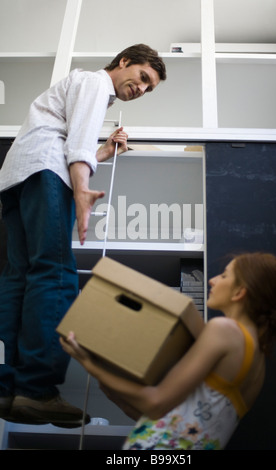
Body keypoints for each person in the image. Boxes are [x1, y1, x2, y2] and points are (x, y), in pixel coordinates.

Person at [0, 44, 166, 427]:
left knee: (18, 278)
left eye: (149, 88)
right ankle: (37, 390)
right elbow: (74, 150)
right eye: (142, 77)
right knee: (55, 275)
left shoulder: (75, 85)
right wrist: (81, 192)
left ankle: (6, 387)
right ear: (124, 62)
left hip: (18, 178)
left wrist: (103, 152)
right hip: (46, 176)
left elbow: (67, 143)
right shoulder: (95, 83)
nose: (141, 89)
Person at [61, 252, 276, 449]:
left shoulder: (223, 330)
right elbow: (171, 416)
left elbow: (155, 403)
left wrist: (89, 365)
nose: (212, 280)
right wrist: (111, 385)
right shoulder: (257, 362)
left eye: (224, 275)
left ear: (239, 292)